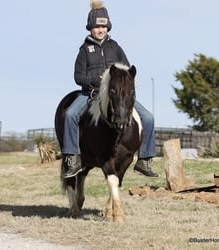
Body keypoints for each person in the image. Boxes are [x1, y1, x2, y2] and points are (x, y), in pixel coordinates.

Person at [61, 0, 158, 179]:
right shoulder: (84, 51)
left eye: (104, 27)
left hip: (117, 96)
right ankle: (73, 157)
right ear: (90, 28)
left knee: (148, 118)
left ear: (108, 28)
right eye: (97, 27)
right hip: (90, 94)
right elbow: (77, 77)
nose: (100, 30)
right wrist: (93, 82)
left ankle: (144, 159)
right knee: (70, 115)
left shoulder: (116, 48)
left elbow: (128, 71)